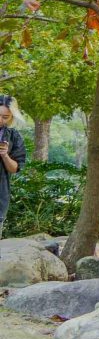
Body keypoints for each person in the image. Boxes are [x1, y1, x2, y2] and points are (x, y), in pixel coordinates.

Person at [0, 96, 28, 239]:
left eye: (5, 117)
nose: (0, 120)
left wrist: (5, 156)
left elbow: (15, 168)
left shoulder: (13, 137)